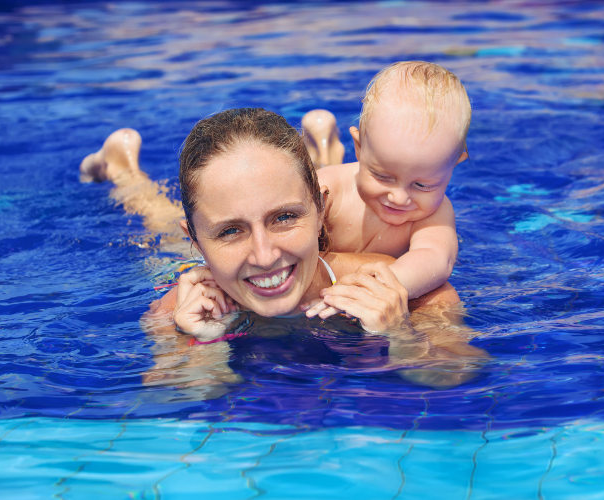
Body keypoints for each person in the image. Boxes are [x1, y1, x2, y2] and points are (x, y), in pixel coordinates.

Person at [82, 107, 485, 389]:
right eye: (230, 231)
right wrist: (202, 348)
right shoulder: (177, 310)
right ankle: (123, 170)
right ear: (199, 241)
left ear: (322, 208)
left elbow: (460, 375)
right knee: (159, 239)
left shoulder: (399, 287)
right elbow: (169, 402)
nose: (264, 255)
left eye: (285, 218)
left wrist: (402, 334)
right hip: (188, 264)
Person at [305, 61, 471, 308]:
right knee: (311, 183)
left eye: (422, 185)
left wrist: (372, 288)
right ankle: (322, 152)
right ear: (359, 148)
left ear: (454, 164)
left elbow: (436, 259)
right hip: (327, 182)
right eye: (383, 176)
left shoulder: (435, 213)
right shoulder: (333, 189)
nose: (399, 197)